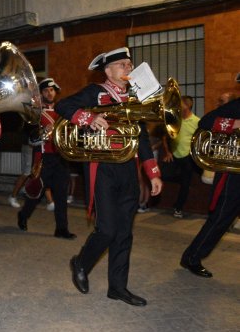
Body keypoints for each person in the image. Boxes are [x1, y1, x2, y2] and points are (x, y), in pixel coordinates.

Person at [56, 47, 163, 307]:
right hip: (102, 167)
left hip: (128, 168)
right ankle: (81, 262)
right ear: (108, 71)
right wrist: (88, 117)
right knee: (107, 230)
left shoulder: (136, 97)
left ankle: (118, 287)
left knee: (125, 232)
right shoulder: (95, 92)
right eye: (123, 65)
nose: (128, 68)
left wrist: (152, 172)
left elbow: (142, 137)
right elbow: (63, 105)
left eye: (129, 64)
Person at [180, 98, 239, 277]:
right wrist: (236, 123)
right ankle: (192, 257)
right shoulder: (237, 105)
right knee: (222, 217)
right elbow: (205, 122)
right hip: (234, 172)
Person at [18, 78, 76, 239]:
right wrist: (43, 131)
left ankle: (61, 229)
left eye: (52, 90)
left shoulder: (62, 110)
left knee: (61, 194)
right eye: (46, 90)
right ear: (41, 93)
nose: (49, 93)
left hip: (60, 157)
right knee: (36, 193)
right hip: (43, 157)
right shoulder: (35, 111)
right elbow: (29, 137)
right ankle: (23, 215)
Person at [161, 95, 200, 218]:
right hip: (174, 155)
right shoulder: (175, 119)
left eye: (180, 104)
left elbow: (200, 139)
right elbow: (164, 137)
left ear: (188, 106)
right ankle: (183, 179)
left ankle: (178, 208)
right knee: (165, 175)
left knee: (185, 183)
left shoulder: (197, 121)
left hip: (188, 157)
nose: (177, 106)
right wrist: (168, 152)